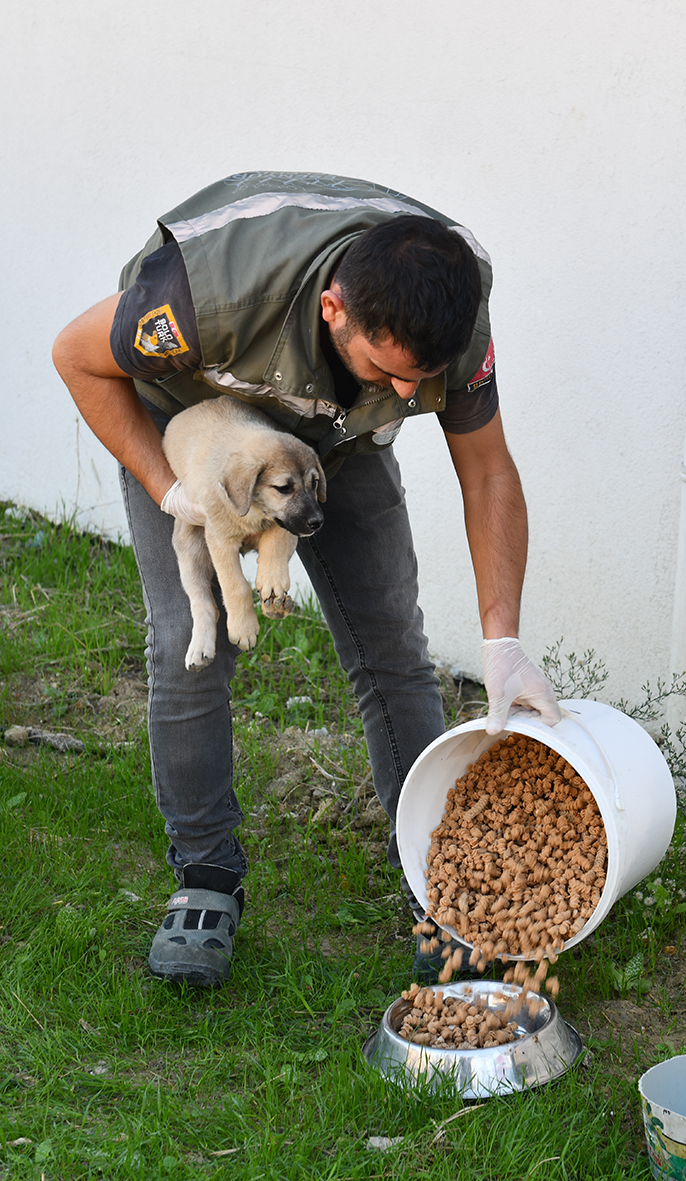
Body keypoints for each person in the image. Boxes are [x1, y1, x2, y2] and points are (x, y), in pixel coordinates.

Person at [52, 171, 560, 988]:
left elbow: (489, 472)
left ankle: (448, 887)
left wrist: (502, 637)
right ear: (335, 309)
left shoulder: (452, 315)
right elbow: (75, 358)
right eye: (388, 370)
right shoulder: (199, 294)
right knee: (192, 636)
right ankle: (207, 879)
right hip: (193, 427)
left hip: (332, 438)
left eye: (417, 379)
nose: (406, 393)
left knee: (392, 644)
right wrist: (168, 489)